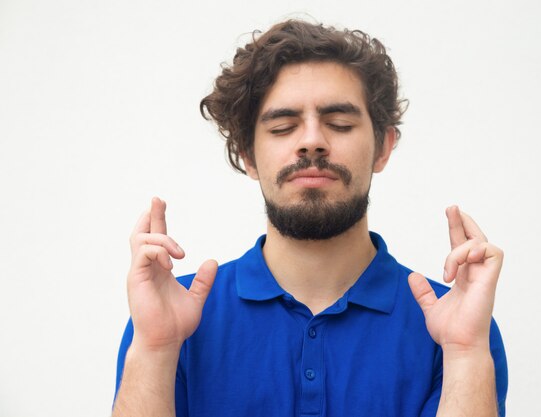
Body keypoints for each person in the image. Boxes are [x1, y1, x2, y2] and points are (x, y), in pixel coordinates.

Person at [112, 20, 508, 417]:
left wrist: (465, 352)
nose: (312, 141)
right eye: (283, 127)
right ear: (247, 155)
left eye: (340, 124)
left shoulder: (455, 323)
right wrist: (155, 349)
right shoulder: (174, 318)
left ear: (383, 148)